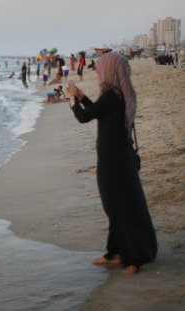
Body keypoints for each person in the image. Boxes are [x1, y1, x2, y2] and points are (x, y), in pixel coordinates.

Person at [67, 52, 157, 274]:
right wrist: (82, 98)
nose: (97, 73)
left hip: (113, 161)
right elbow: (99, 112)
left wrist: (71, 99)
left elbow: (83, 117)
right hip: (120, 158)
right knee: (120, 205)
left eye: (99, 69)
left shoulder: (111, 96)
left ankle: (133, 258)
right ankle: (116, 253)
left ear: (108, 70)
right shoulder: (116, 94)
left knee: (117, 207)